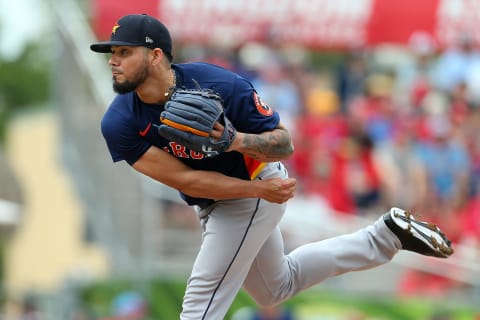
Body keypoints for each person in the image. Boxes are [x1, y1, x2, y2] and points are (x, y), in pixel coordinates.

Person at [90, 13, 454, 320]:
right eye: (111, 52)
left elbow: (284, 143)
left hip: (255, 182)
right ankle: (384, 236)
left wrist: (234, 142)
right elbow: (186, 179)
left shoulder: (218, 84)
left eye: (124, 52)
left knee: (199, 306)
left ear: (155, 56)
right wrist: (256, 191)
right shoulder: (119, 122)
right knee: (276, 287)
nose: (113, 60)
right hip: (236, 193)